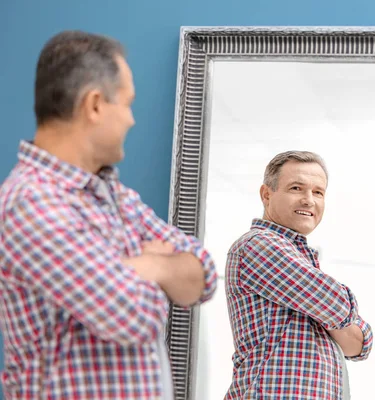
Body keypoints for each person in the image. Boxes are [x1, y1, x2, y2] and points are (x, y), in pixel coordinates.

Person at [0, 30, 218, 399]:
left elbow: (205, 275)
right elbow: (134, 316)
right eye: (127, 103)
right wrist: (151, 266)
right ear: (96, 105)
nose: (132, 120)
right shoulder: (30, 203)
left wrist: (150, 267)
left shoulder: (115, 195)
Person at [224, 151, 373, 399]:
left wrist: (330, 312)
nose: (308, 200)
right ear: (266, 194)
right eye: (296, 188)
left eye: (318, 192)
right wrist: (338, 317)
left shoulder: (300, 258)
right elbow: (339, 305)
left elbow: (360, 346)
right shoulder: (258, 245)